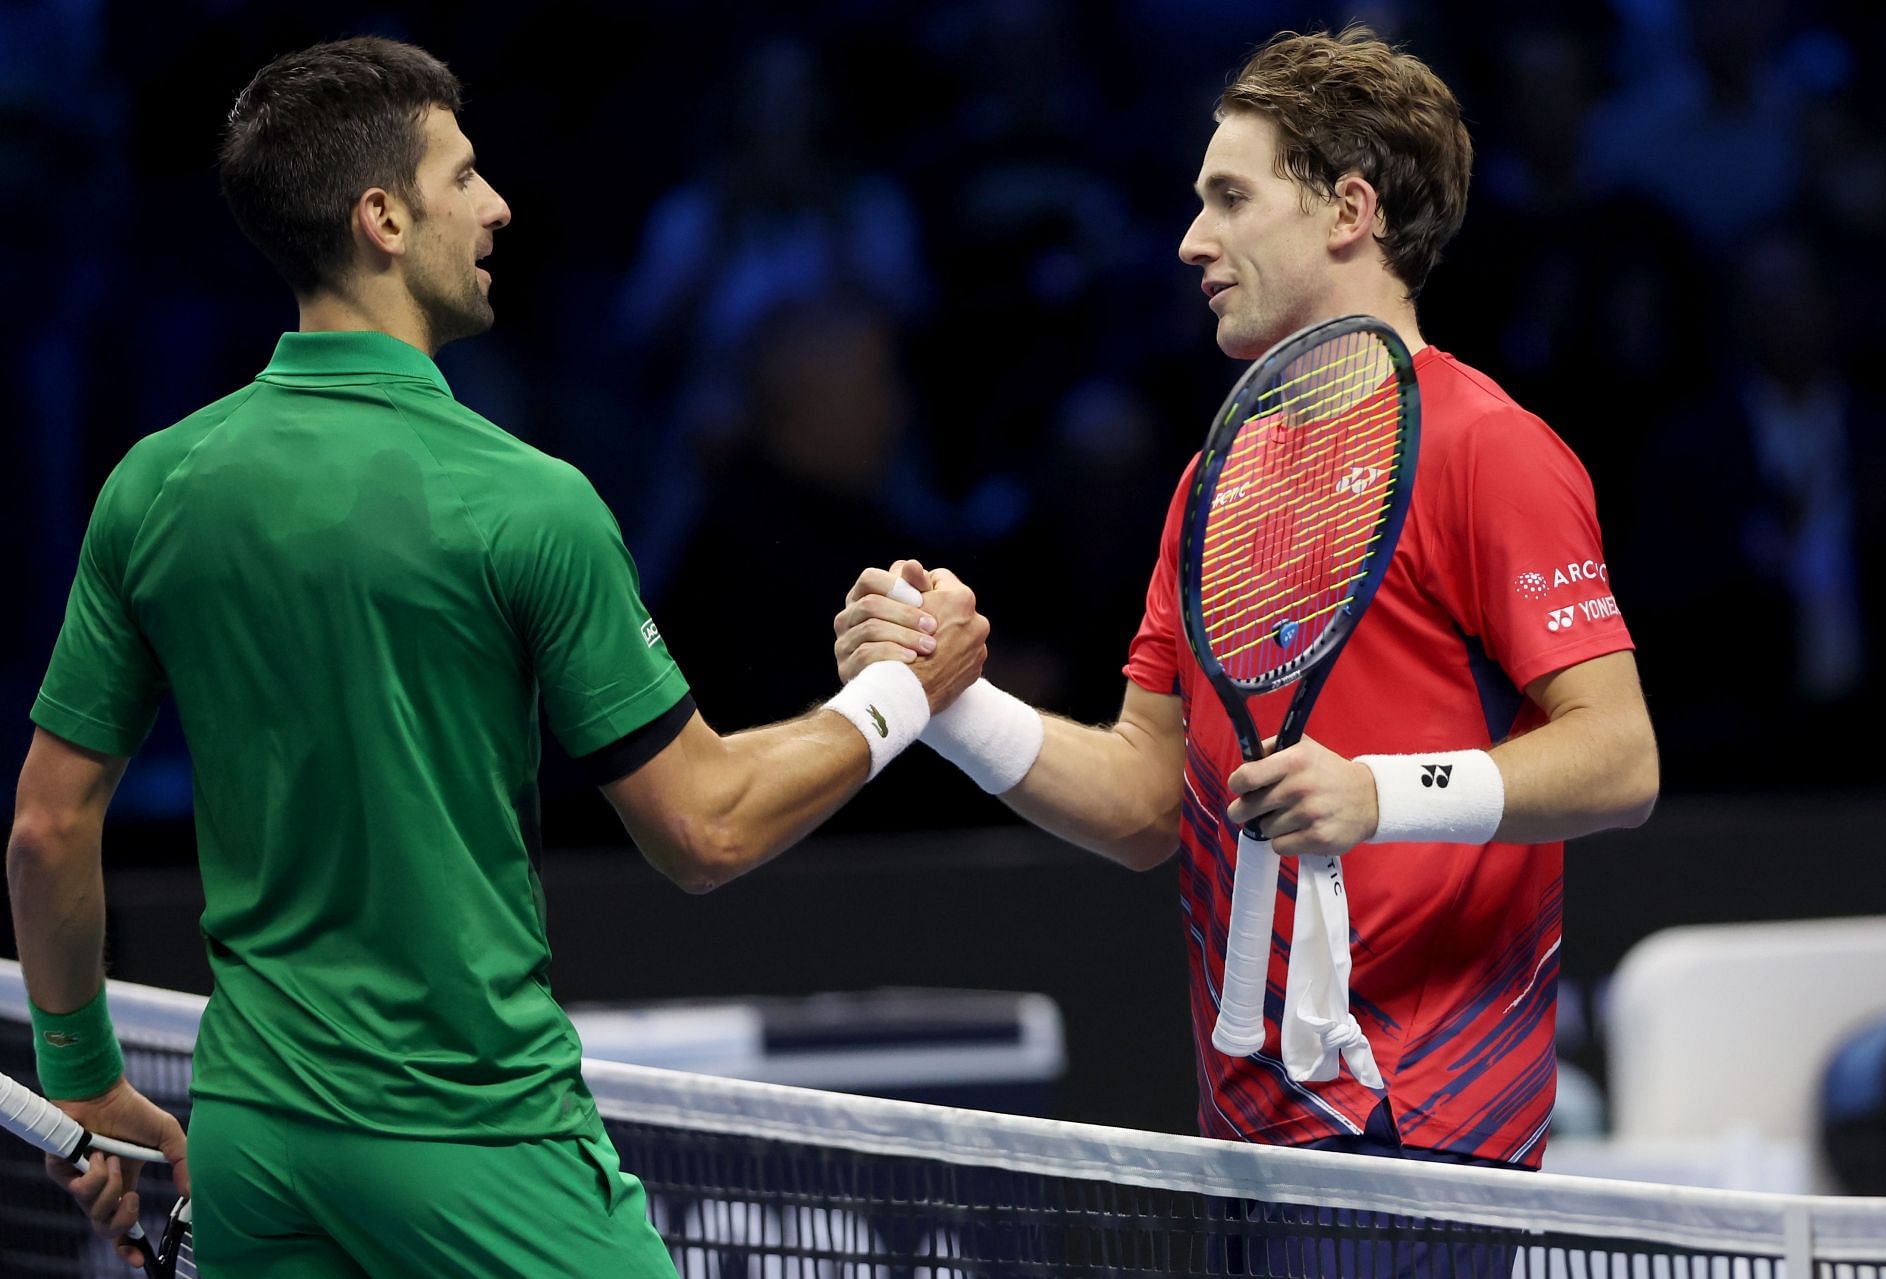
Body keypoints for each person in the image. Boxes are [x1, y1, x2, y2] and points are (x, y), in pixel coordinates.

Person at [8, 36, 986, 1277]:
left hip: (258, 1145)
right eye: (461, 176)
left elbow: (46, 827)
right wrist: (907, 691)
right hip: (474, 1136)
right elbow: (708, 827)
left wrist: (83, 1078)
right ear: (380, 218)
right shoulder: (526, 502)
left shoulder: (153, 487)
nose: (497, 204)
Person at [835, 25, 1658, 1170]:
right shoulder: (1216, 480)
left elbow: (1620, 760)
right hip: (1247, 1131)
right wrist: (947, 699)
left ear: (1348, 211)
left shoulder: (1490, 449)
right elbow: (1141, 800)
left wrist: (1379, 793)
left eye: (1229, 198)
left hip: (1423, 1125)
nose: (1189, 241)